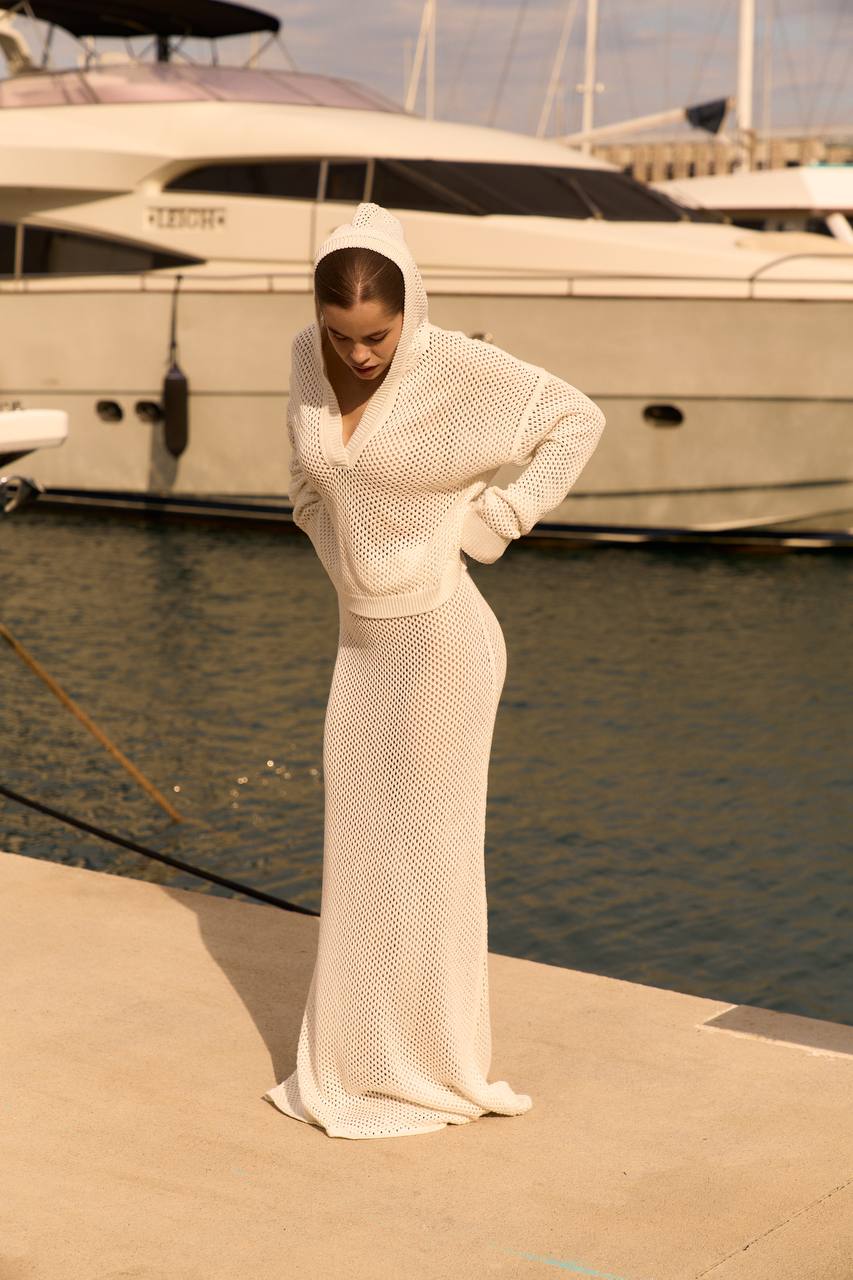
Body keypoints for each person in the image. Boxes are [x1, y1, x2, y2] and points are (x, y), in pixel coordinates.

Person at [262, 202, 606, 1140]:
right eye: (344, 336)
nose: (360, 354)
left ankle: (433, 1060)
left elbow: (574, 419)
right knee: (364, 861)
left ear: (409, 310)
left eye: (377, 335)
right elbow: (307, 473)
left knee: (431, 864)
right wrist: (319, 531)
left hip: (443, 645)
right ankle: (360, 1057)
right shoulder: (306, 355)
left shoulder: (452, 366)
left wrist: (494, 520)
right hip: (361, 649)